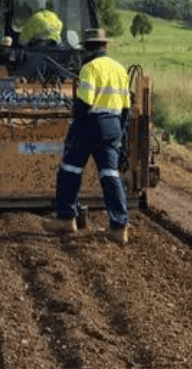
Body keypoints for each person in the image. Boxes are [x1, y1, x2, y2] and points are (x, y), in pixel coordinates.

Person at [44, 28, 132, 244]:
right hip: (113, 126)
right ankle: (119, 228)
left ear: (86, 48)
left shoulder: (89, 68)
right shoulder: (120, 69)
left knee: (70, 170)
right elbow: (126, 109)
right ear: (105, 46)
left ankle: (66, 219)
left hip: (91, 123)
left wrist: (76, 123)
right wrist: (119, 136)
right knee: (110, 175)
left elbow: (85, 102)